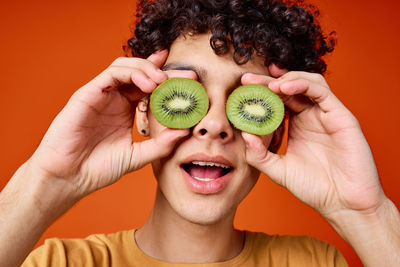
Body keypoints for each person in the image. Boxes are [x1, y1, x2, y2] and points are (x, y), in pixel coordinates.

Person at [0, 0, 399, 266]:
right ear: (144, 110)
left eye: (246, 98)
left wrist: (365, 213)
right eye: (188, 92)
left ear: (275, 130)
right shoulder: (62, 264)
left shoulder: (312, 262)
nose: (214, 123)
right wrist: (47, 182)